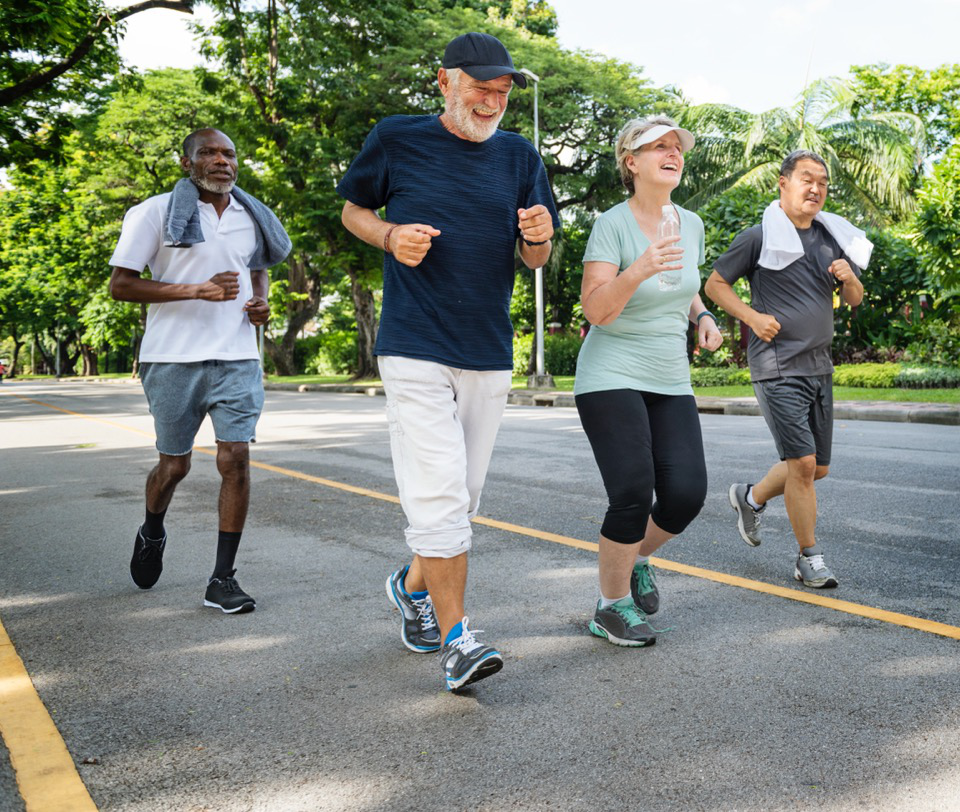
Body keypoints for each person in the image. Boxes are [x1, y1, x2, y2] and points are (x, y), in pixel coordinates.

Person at [337, 32, 558, 691]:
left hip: (487, 348)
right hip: (413, 343)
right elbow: (353, 208)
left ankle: (410, 588)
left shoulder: (520, 156)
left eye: (502, 92)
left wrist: (539, 240)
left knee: (461, 502)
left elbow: (535, 258)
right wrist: (387, 235)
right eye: (480, 89)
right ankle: (459, 640)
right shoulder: (396, 138)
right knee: (437, 495)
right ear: (444, 82)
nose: (492, 102)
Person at [109, 128, 291, 613]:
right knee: (176, 465)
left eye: (229, 153)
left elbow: (256, 267)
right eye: (208, 153)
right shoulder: (152, 213)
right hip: (171, 358)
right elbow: (121, 286)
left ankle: (222, 578)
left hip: (237, 356)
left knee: (235, 458)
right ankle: (152, 530)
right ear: (186, 162)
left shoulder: (250, 215)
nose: (221, 161)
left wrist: (261, 304)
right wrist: (195, 290)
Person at [575, 116, 723, 647]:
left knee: (685, 495)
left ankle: (634, 559)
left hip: (669, 375)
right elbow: (597, 309)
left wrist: (702, 317)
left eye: (676, 146)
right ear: (631, 162)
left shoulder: (692, 223)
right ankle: (610, 606)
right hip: (609, 372)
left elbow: (682, 288)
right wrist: (635, 269)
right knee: (633, 491)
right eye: (657, 146)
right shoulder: (610, 224)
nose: (672, 152)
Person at [704, 149, 867, 589]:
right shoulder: (759, 237)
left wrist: (848, 277)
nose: (816, 189)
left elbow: (854, 299)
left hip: (819, 366)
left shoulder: (830, 238)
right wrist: (753, 318)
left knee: (817, 469)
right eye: (807, 179)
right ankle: (808, 558)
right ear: (783, 183)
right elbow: (715, 284)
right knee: (802, 464)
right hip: (776, 366)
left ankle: (750, 497)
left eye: (823, 182)